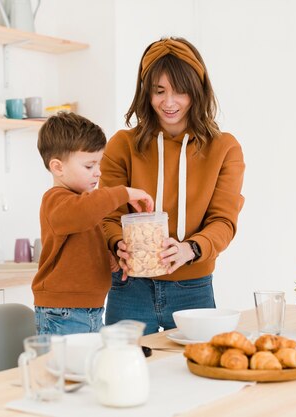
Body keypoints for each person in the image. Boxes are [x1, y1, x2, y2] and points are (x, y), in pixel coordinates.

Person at [100, 37, 245, 334]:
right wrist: (118, 245)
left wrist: (189, 249)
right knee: (123, 375)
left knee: (197, 376)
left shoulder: (225, 148)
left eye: (180, 91)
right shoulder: (121, 145)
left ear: (197, 91)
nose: (169, 102)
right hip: (130, 289)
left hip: (193, 289)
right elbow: (107, 216)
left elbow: (224, 221)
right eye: (159, 91)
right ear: (146, 92)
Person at [33, 112, 155, 335]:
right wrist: (123, 193)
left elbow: (84, 242)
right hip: (62, 313)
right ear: (58, 167)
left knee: (88, 368)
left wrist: (111, 260)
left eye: (99, 164)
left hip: (90, 310)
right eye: (89, 166)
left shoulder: (82, 204)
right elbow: (84, 211)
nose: (98, 172)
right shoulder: (56, 200)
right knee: (65, 369)